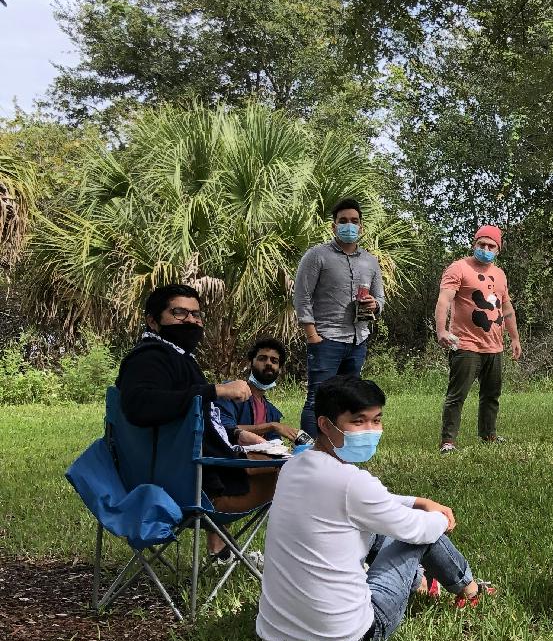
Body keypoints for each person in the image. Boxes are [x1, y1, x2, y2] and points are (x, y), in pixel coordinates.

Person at [256, 375, 493, 641]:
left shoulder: (292, 466)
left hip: (275, 633)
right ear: (325, 424)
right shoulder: (352, 483)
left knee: (385, 529)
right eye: (358, 421)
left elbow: (373, 504)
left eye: (376, 420)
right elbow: (418, 530)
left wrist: (418, 500)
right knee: (423, 534)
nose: (370, 430)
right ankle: (470, 589)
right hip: (351, 636)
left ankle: (420, 582)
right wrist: (441, 518)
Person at [116, 284, 273, 556]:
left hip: (182, 472)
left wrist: (234, 434)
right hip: (190, 488)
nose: (190, 320)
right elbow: (140, 405)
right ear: (153, 321)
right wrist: (216, 390)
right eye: (179, 313)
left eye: (196, 315)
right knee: (301, 471)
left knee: (282, 459)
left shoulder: (176, 358)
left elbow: (182, 418)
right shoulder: (150, 358)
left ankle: (222, 550)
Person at [292, 198, 386, 435]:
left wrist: (374, 305)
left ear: (361, 227)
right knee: (317, 399)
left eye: (354, 221)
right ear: (333, 226)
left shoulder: (370, 261)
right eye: (343, 221)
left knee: (348, 403)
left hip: (357, 341)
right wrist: (312, 335)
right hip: (326, 340)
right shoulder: (317, 256)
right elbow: (301, 296)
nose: (349, 226)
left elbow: (381, 299)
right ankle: (310, 456)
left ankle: (340, 454)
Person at [434, 224, 523, 453]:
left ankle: (488, 434)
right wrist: (441, 330)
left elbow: (506, 306)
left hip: (494, 345)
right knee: (457, 395)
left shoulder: (500, 274)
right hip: (465, 344)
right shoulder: (458, 268)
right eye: (481, 244)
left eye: (491, 245)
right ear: (474, 244)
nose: (485, 248)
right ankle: (448, 441)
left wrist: (514, 338)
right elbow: (444, 300)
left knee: (491, 395)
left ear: (498, 249)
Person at [213, 337, 305, 445]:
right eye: (262, 359)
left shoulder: (272, 412)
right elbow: (222, 428)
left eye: (274, 361)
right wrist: (272, 426)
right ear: (250, 363)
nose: (268, 363)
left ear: (279, 369)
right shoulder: (230, 393)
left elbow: (275, 446)